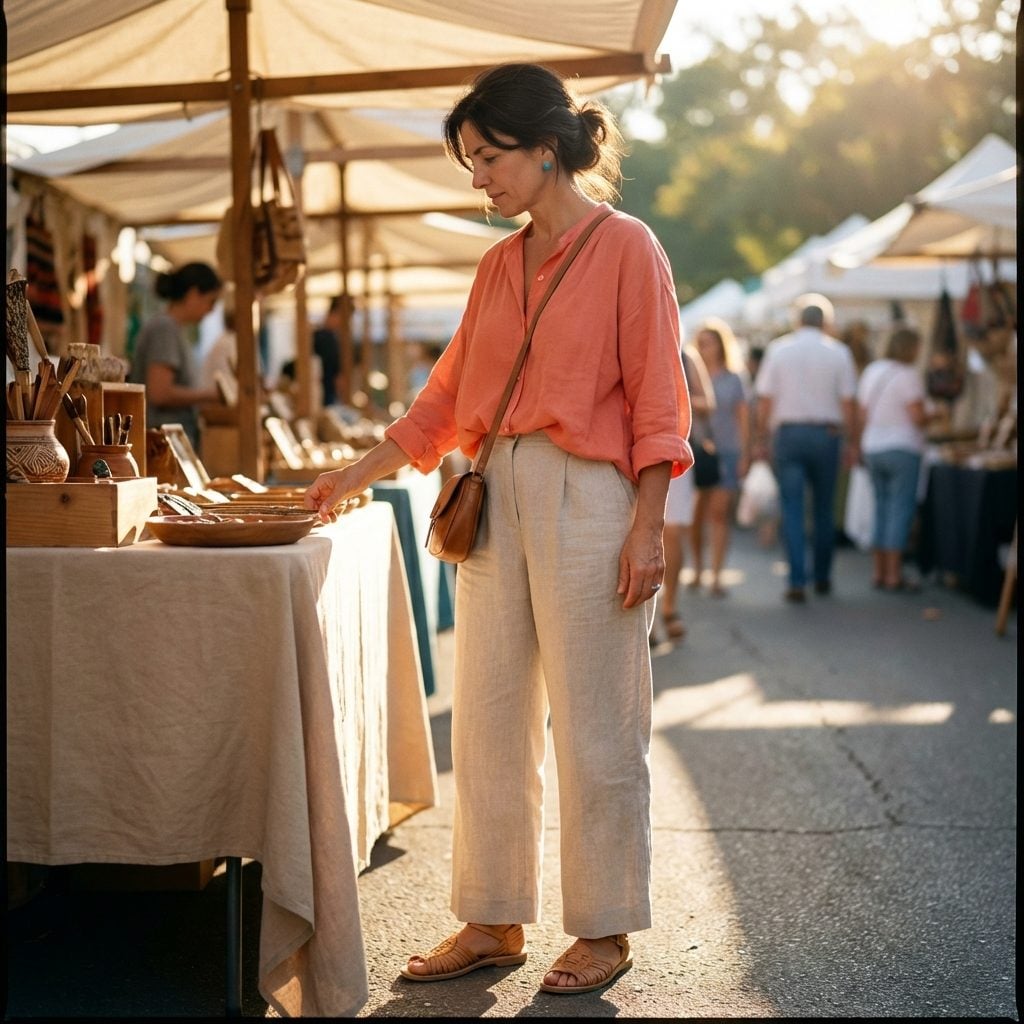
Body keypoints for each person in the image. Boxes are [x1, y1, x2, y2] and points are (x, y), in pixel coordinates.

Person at [304, 62, 692, 995]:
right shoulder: (495, 266)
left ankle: (603, 928)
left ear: (546, 149)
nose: (477, 177)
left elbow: (658, 399)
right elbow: (444, 398)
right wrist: (356, 472)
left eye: (487, 156)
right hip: (493, 489)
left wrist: (648, 526)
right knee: (486, 718)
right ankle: (493, 916)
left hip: (589, 496)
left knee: (600, 722)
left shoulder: (627, 247)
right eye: (470, 160)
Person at [753, 293, 858, 602]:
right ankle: (822, 575)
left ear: (798, 320)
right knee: (824, 509)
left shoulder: (779, 350)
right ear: (825, 322)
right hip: (827, 434)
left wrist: (761, 438)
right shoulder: (839, 353)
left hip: (790, 434)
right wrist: (852, 441)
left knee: (793, 508)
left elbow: (765, 400)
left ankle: (797, 579)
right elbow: (849, 402)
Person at [855, 326, 930, 591]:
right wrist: (936, 415)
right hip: (901, 446)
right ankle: (893, 574)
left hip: (873, 446)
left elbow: (861, 414)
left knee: (881, 507)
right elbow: (917, 416)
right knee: (900, 510)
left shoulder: (872, 371)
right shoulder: (908, 375)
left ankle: (879, 571)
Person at [128, 261, 221, 448]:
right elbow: (160, 393)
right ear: (194, 294)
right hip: (161, 446)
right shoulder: (165, 328)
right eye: (211, 301)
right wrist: (210, 395)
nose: (211, 310)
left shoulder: (174, 330)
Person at [690, 318, 750, 597]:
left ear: (720, 345)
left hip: (727, 452)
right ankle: (698, 570)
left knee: (719, 514)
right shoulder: (688, 375)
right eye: (700, 343)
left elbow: (743, 418)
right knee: (695, 515)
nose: (703, 348)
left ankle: (716, 575)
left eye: (708, 342)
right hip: (696, 451)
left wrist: (745, 454)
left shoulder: (734, 378)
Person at [660, 344, 714, 641]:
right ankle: (650, 617)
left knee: (673, 532)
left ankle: (670, 607)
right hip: (627, 453)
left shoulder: (684, 353)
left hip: (674, 450)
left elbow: (708, 402)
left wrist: (671, 397)